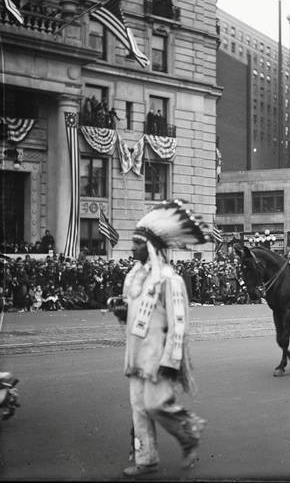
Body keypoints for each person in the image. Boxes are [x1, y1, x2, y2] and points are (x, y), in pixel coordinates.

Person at [117, 200, 208, 477]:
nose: (132, 248)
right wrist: (121, 312)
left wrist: (172, 359)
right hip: (136, 357)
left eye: (137, 243)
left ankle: (189, 432)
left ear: (152, 248)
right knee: (138, 410)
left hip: (159, 358)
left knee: (156, 405)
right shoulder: (134, 278)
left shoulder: (170, 280)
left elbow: (179, 324)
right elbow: (132, 317)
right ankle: (146, 460)